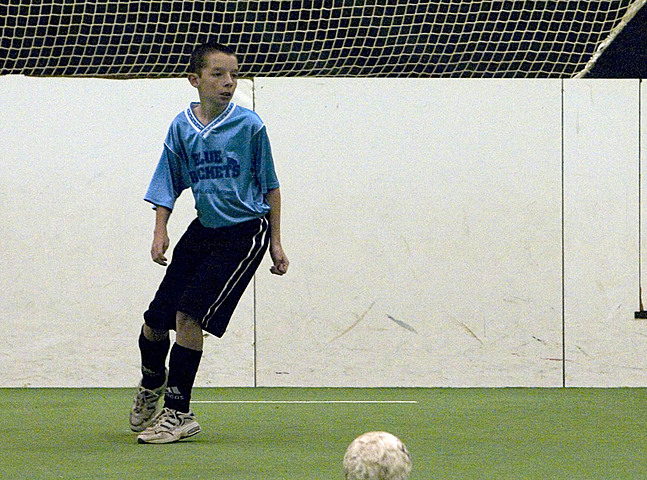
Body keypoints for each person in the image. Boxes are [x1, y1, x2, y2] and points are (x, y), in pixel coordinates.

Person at [129, 40, 289, 444]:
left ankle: (178, 413)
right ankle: (153, 382)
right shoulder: (182, 126)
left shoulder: (250, 126)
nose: (228, 82)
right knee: (154, 322)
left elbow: (271, 187)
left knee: (188, 315)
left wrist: (277, 243)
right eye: (218, 74)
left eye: (233, 75)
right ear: (194, 79)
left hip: (243, 231)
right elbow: (167, 181)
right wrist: (160, 230)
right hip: (203, 230)